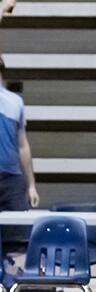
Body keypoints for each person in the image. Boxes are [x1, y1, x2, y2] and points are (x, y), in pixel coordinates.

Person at [0, 54, 38, 216]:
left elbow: (23, 145)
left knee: (16, 236)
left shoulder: (15, 102)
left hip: (11, 179)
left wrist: (31, 185)